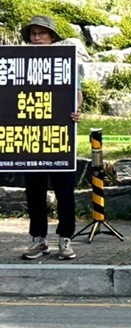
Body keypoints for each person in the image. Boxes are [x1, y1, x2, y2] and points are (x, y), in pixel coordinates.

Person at [19, 16, 82, 261]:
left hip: (59, 137)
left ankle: (65, 239)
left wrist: (76, 110)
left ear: (52, 37)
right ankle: (39, 239)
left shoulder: (67, 62)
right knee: (34, 189)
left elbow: (77, 93)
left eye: (41, 33)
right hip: (29, 137)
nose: (37, 38)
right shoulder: (18, 63)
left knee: (65, 189)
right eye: (33, 33)